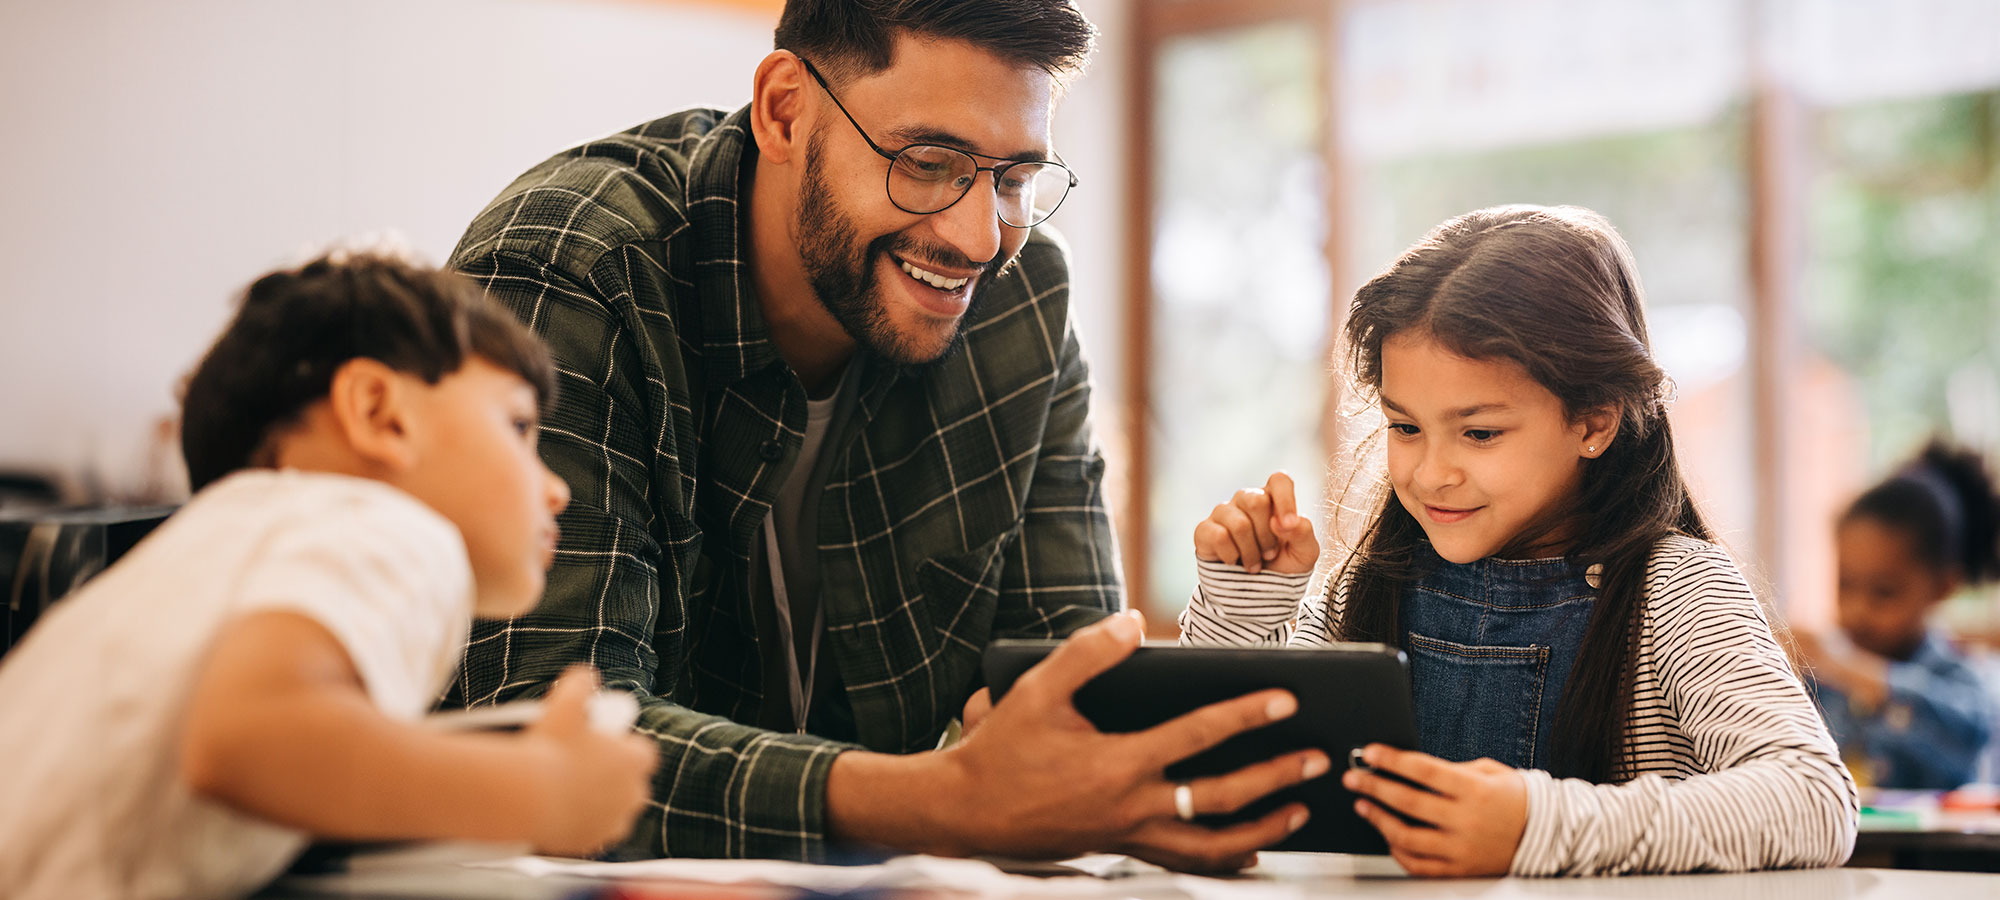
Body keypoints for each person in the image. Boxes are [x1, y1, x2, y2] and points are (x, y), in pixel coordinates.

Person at [443, 0, 1319, 871]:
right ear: (785, 108)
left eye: (1014, 179)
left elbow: (1066, 702)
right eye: (930, 162)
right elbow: (542, 734)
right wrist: (943, 803)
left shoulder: (1021, 301)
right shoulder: (572, 270)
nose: (979, 238)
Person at [1178, 205, 1859, 876]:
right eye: (1405, 427)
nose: (1431, 473)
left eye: (1479, 433)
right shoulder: (1370, 585)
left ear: (1593, 422)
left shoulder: (1674, 591)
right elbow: (1222, 788)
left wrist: (1535, 827)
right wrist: (1246, 607)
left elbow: (1815, 799)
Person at [0, 251, 657, 899]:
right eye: (518, 426)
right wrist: (538, 790)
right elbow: (248, 737)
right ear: (379, 413)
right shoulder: (391, 528)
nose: (555, 490)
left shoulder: (220, 542)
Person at [1796, 440, 2000, 789]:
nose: (1857, 611)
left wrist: (1852, 669)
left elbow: (1969, 739)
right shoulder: (1821, 680)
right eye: (1845, 585)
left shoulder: (1961, 680)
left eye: (1884, 592)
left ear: (1942, 587)